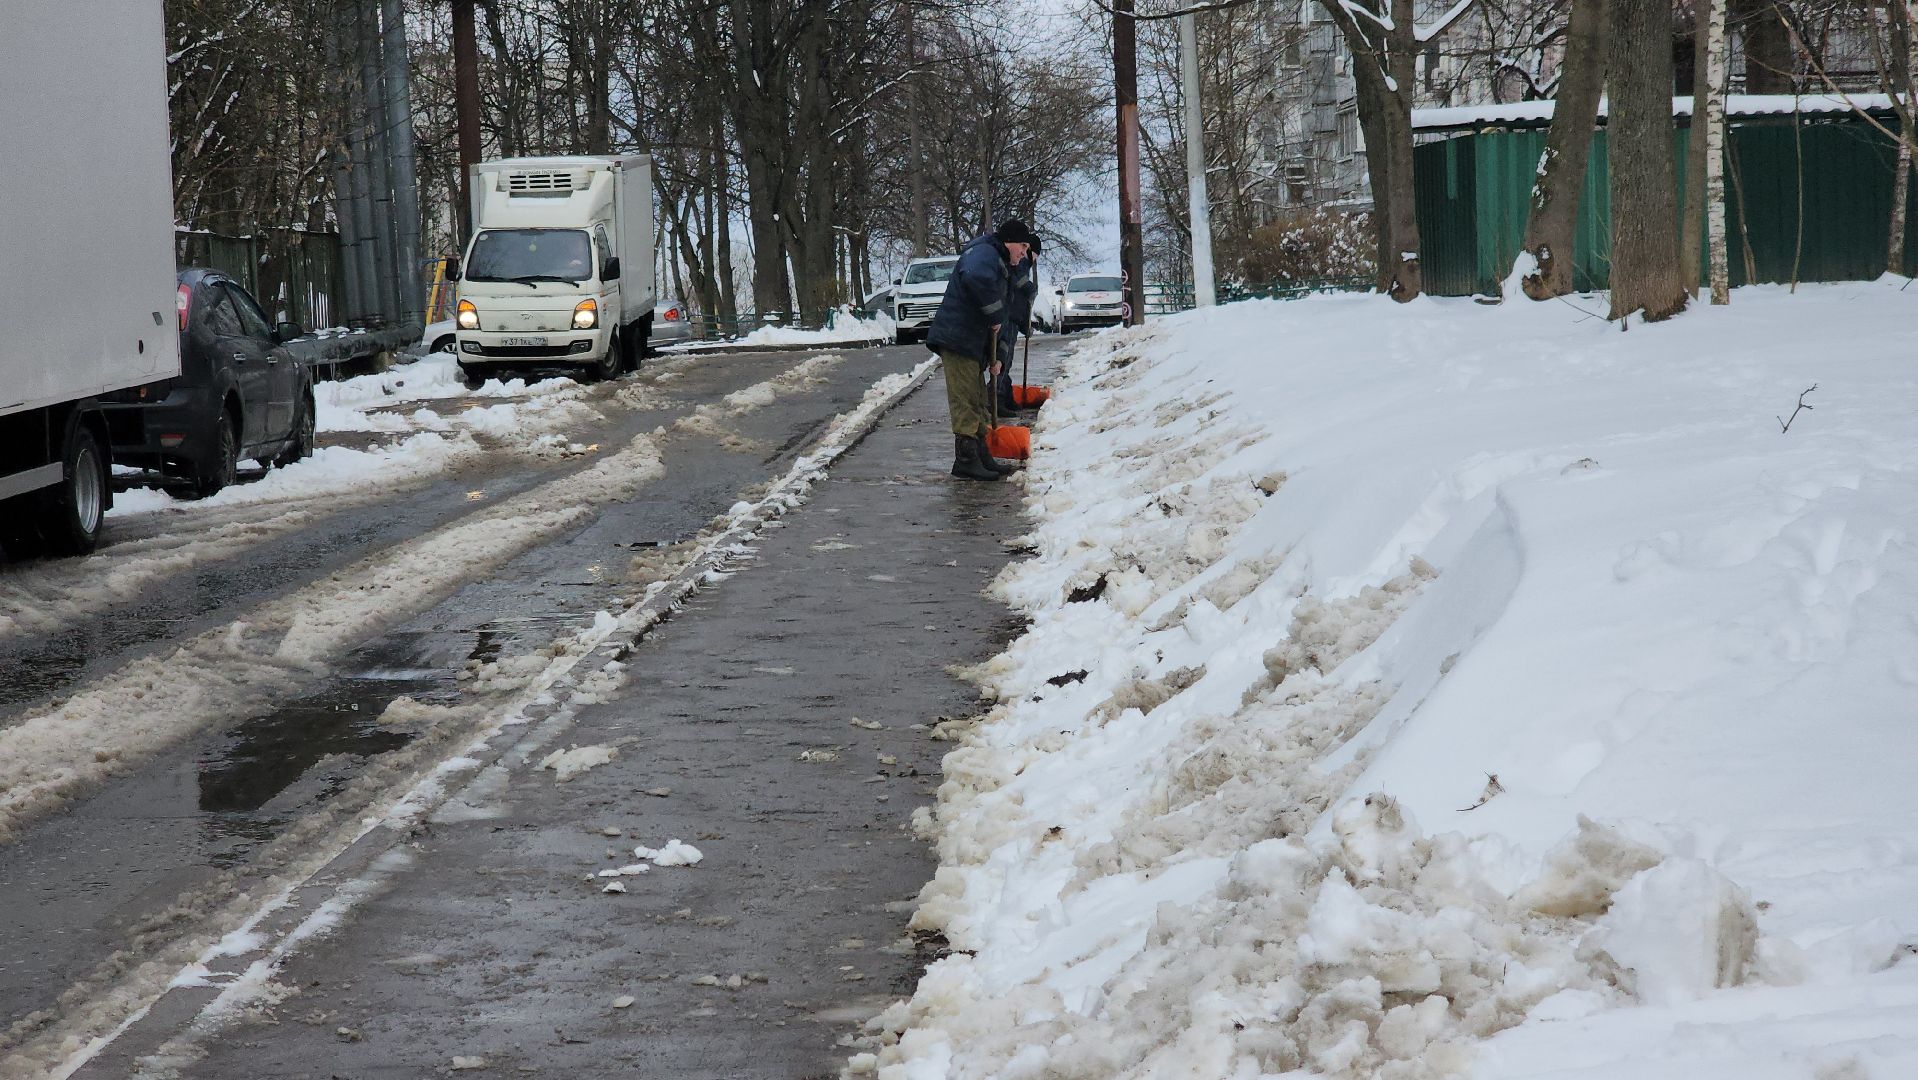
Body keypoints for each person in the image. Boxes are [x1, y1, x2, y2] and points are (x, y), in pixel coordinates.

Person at [925, 219, 1035, 481]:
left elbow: (1005, 317)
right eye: (1022, 246)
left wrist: (998, 358)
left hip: (972, 343)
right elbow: (975, 277)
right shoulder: (984, 253)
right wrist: (993, 315)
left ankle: (982, 454)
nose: (1024, 252)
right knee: (965, 400)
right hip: (958, 338)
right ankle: (966, 460)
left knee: (977, 400)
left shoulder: (1003, 266)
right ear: (1009, 241)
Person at [993, 237, 1040, 415]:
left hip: (1012, 317)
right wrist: (1031, 289)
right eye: (1034, 254)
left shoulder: (1021, 263)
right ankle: (996, 398)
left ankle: (1005, 395)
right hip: (1009, 317)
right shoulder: (1021, 264)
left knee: (1006, 358)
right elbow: (1018, 285)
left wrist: (1025, 325)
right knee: (1004, 358)